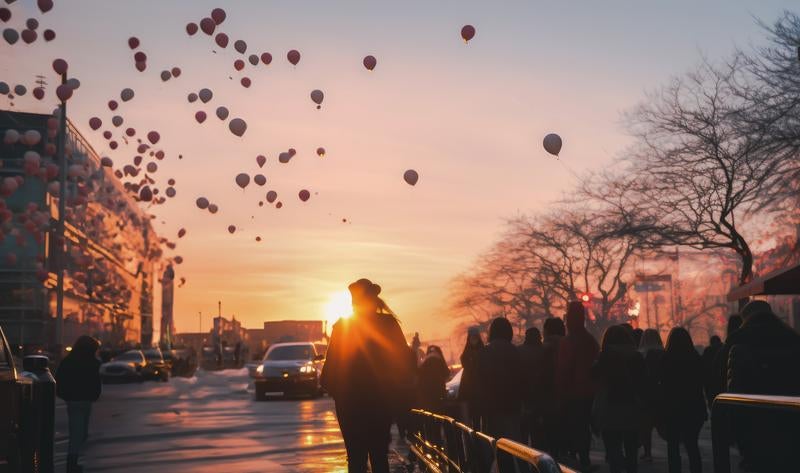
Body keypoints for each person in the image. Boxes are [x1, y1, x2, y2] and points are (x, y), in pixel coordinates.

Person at [321, 279, 415, 473]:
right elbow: (404, 362)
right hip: (380, 402)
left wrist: (340, 392)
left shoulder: (343, 327)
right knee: (379, 456)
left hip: (349, 404)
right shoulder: (388, 325)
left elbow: (329, 373)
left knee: (355, 458)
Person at [721, 301, 800, 470]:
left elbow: (723, 376)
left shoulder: (737, 338)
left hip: (752, 418)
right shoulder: (792, 336)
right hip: (790, 415)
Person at [592, 325, 645, 473]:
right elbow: (643, 382)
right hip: (632, 405)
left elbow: (593, 375)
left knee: (613, 448)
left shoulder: (605, 356)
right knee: (631, 449)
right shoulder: (636, 356)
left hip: (610, 405)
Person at [557, 302, 599, 471]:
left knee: (574, 425)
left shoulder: (568, 342)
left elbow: (563, 369)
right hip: (589, 392)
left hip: (571, 392)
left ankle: (575, 458)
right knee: (584, 427)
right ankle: (584, 457)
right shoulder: (590, 341)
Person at [477, 317, 523, 471]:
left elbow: (480, 382)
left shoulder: (485, 352)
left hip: (492, 408)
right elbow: (521, 379)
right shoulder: (515, 351)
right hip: (512, 406)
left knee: (497, 446)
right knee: (515, 446)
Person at [657, 327, 706, 473]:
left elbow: (662, 385)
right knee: (692, 445)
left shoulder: (665, 359)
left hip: (672, 409)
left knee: (673, 446)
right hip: (693, 407)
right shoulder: (695, 358)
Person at [55, 335, 102, 473]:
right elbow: (95, 382)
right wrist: (94, 395)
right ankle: (72, 464)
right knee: (79, 434)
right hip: (83, 400)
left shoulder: (68, 361)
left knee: (78, 433)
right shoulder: (92, 362)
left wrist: (65, 395)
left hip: (75, 400)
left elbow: (59, 379)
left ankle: (72, 462)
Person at [638, 328, 664, 462]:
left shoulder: (642, 354)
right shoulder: (663, 353)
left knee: (646, 426)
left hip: (646, 394)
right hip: (661, 393)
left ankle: (647, 452)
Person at [541, 317, 566, 458]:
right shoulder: (568, 344)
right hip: (568, 392)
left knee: (551, 428)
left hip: (549, 393)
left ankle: (555, 457)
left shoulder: (545, 347)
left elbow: (542, 373)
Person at [518, 327, 545, 448]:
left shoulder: (519, 351)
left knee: (523, 433)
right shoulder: (544, 351)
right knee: (538, 434)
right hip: (540, 397)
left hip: (523, 397)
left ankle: (523, 459)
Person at [458, 327, 484, 429]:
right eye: (472, 338)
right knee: (474, 418)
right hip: (471, 391)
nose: (474, 340)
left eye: (475, 338)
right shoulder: (466, 354)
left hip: (480, 390)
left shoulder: (483, 351)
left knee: (482, 418)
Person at [416, 345, 450, 412]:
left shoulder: (425, 363)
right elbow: (446, 373)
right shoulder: (439, 361)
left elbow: (419, 374)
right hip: (439, 395)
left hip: (427, 397)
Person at [701, 335, 722, 409]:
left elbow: (703, 368)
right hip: (721, 383)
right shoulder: (723, 350)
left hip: (710, 384)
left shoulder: (708, 351)